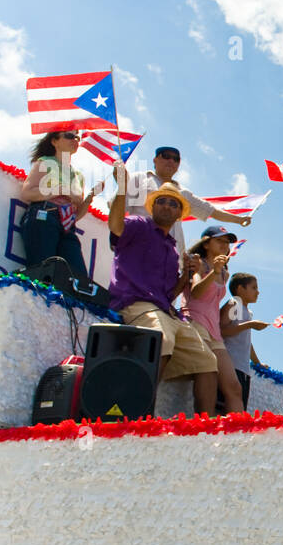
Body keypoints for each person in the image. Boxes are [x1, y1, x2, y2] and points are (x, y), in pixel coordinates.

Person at [107, 173, 218, 413]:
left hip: (163, 309)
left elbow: (169, 294)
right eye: (161, 201)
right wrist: (122, 189)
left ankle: (205, 428)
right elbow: (115, 226)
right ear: (153, 205)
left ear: (179, 213)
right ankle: (135, 415)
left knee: (208, 360)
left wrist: (186, 276)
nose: (166, 206)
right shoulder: (138, 224)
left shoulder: (173, 249)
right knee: (162, 339)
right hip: (135, 303)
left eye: (173, 203)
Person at [125, 146, 251, 254]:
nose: (171, 161)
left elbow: (211, 211)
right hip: (139, 247)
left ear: (178, 165)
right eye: (166, 156)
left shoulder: (183, 193)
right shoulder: (139, 179)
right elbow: (119, 209)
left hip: (170, 257)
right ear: (155, 160)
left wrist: (239, 220)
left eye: (176, 159)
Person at [19, 130, 105, 280]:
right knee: (42, 270)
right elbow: (27, 193)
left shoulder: (78, 176)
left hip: (67, 226)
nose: (75, 140)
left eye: (77, 137)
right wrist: (59, 190)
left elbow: (76, 215)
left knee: (77, 277)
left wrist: (91, 196)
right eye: (69, 136)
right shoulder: (45, 162)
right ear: (54, 141)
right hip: (44, 216)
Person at [182, 225, 244, 414]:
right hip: (194, 321)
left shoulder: (224, 273)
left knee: (233, 386)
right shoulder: (197, 262)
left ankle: (241, 433)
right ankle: (204, 428)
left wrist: (218, 271)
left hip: (214, 330)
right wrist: (214, 272)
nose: (225, 245)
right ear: (206, 244)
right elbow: (197, 292)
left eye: (227, 242)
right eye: (220, 240)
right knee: (207, 371)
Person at [220, 272, 268, 410]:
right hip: (230, 365)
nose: (258, 292)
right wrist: (250, 325)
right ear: (240, 289)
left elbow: (246, 341)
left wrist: (257, 362)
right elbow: (222, 330)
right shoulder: (234, 304)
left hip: (243, 368)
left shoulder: (247, 311)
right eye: (253, 288)